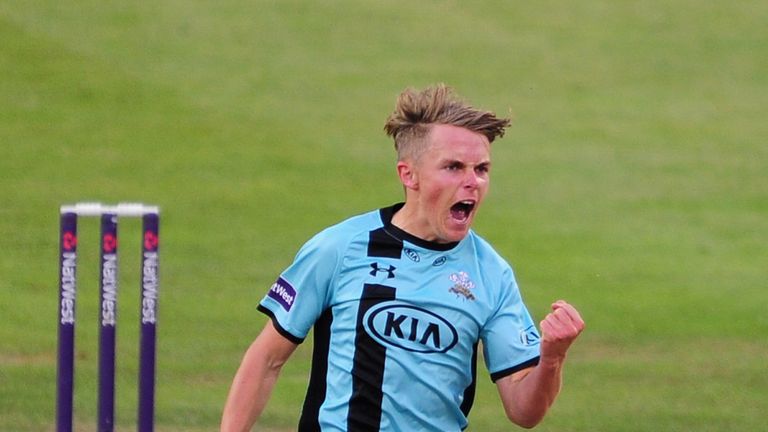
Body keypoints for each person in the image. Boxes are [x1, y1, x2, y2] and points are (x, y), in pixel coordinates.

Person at [221, 84, 585, 432]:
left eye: (482, 169)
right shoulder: (340, 248)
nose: (473, 181)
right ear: (408, 175)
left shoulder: (492, 274)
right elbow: (266, 359)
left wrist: (551, 358)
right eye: (454, 167)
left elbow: (524, 411)